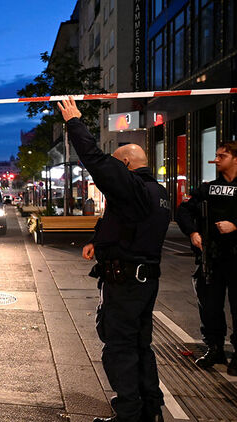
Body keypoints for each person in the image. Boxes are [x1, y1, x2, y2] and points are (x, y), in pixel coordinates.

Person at [58, 98, 169, 422]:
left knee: (120, 349)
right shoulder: (157, 193)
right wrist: (97, 241)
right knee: (140, 347)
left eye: (117, 167)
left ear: (126, 165)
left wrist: (74, 122)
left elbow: (96, 160)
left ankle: (129, 414)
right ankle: (150, 411)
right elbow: (126, 224)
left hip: (126, 284)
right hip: (144, 281)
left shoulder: (133, 188)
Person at [175, 140, 237, 373]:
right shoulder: (208, 189)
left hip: (235, 258)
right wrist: (193, 232)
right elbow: (183, 210)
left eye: (222, 156)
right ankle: (215, 347)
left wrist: (235, 225)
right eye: (216, 155)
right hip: (211, 257)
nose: (216, 160)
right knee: (209, 306)